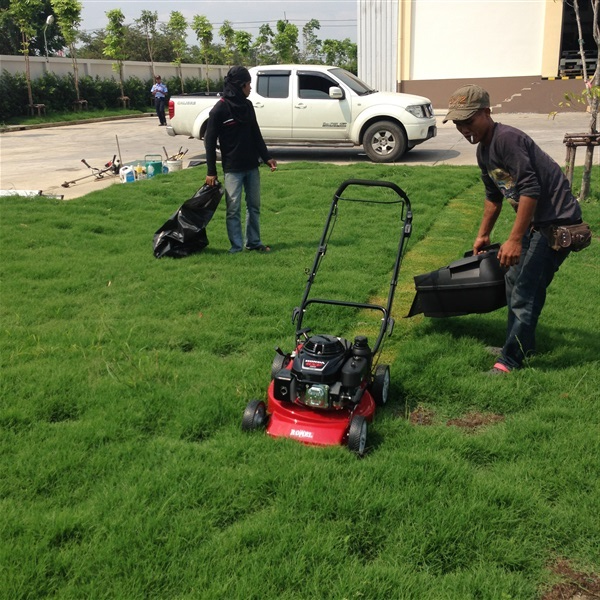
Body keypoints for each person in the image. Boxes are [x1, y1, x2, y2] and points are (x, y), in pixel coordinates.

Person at [444, 84, 584, 374]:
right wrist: (484, 234)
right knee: (515, 281)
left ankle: (510, 361)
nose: (464, 128)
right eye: (459, 123)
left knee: (525, 291)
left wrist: (515, 239)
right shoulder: (484, 150)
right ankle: (519, 344)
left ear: (487, 112)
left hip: (558, 224)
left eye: (469, 121)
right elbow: (494, 196)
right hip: (539, 224)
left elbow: (531, 189)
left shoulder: (508, 139)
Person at [204, 66, 277, 253]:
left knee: (254, 207)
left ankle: (253, 243)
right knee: (233, 209)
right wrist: (211, 171)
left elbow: (256, 133)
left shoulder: (247, 106)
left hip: (252, 166)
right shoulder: (220, 109)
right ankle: (236, 247)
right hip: (232, 169)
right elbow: (209, 141)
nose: (250, 88)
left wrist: (267, 157)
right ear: (240, 85)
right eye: (248, 84)